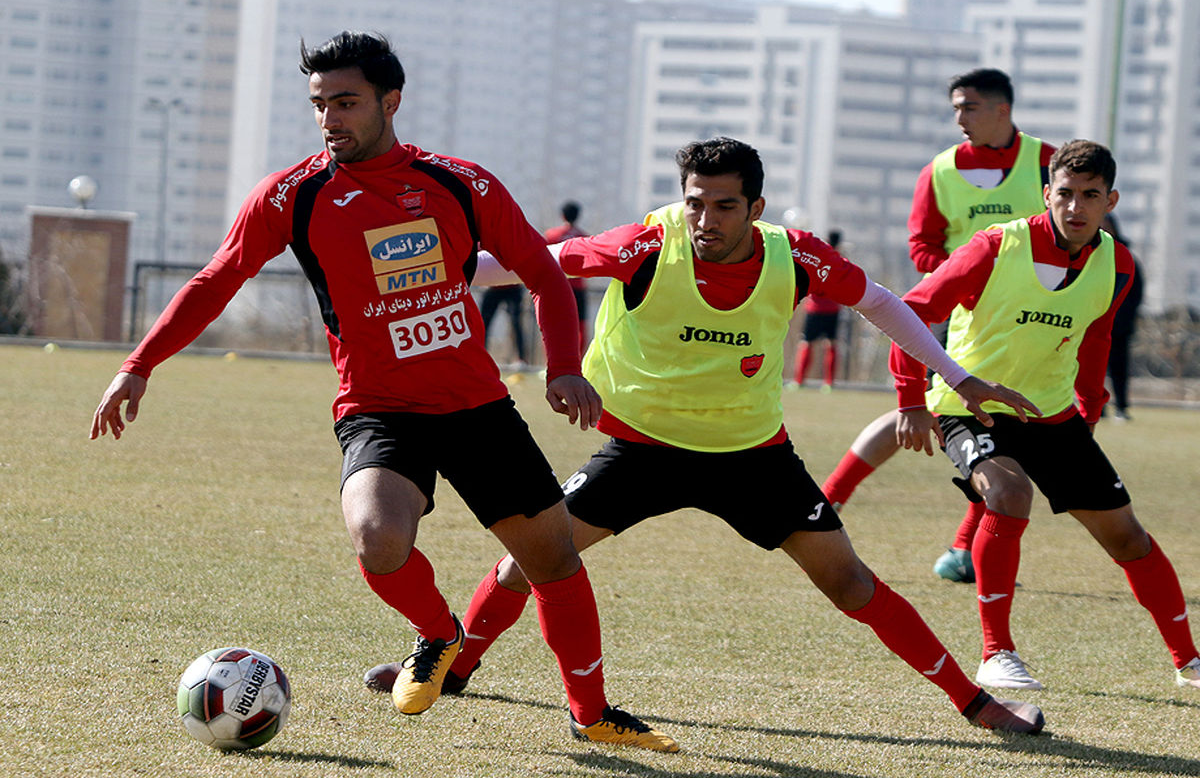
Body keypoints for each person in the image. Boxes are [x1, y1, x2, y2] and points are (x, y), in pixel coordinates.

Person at [88, 31, 677, 752]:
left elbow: (544, 273)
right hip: (376, 408)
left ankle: (592, 713)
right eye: (319, 105)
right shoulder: (292, 195)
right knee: (377, 536)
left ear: (390, 102)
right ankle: (439, 633)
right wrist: (138, 364)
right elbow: (217, 279)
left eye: (346, 102)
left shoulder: (461, 183)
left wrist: (562, 366)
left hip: (477, 409)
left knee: (551, 559)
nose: (330, 118)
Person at [365, 137, 1047, 735]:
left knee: (851, 585)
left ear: (755, 208)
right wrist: (429, 275)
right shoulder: (646, 244)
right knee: (530, 563)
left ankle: (975, 703)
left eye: (723, 206)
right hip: (642, 451)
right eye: (695, 202)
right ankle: (453, 670)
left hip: (751, 457)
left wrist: (958, 377)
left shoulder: (796, 255)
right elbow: (528, 262)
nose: (704, 219)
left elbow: (880, 303)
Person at [891, 139, 1200, 692]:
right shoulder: (993, 247)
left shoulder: (1118, 264)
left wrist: (1090, 404)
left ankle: (1189, 661)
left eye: (1091, 196)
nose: (1076, 207)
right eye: (1065, 194)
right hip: (971, 407)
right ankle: (996, 653)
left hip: (1051, 415)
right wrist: (912, 400)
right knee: (1009, 496)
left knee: (1128, 537)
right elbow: (911, 311)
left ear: (1111, 201)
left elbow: (1096, 335)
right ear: (1046, 193)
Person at [821, 68, 1056, 584]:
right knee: (919, 412)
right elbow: (921, 249)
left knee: (1009, 429)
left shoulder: (1048, 164)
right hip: (956, 320)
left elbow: (1079, 235)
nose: (959, 118)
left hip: (1026, 325)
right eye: (955, 108)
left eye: (968, 107)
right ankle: (827, 501)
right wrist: (970, 268)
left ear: (1002, 109)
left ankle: (963, 550)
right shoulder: (939, 171)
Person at [1101, 214, 1143, 421]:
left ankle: (1121, 408)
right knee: (1092, 371)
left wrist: (1121, 319)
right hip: (1091, 326)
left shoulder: (1126, 257)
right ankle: (1097, 409)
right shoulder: (1084, 255)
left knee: (1119, 369)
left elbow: (1135, 294)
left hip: (1118, 328)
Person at [791, 229, 843, 391]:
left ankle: (799, 381)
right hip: (833, 308)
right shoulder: (840, 260)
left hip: (815, 308)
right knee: (831, 344)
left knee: (807, 342)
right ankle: (828, 383)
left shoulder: (820, 255)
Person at [544, 200, 590, 349]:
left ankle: (551, 362)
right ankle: (578, 361)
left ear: (562, 215)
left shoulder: (551, 235)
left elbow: (544, 259)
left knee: (552, 324)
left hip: (557, 286)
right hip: (578, 287)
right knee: (580, 324)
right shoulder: (584, 237)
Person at [479, 284, 528, 368]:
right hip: (493, 287)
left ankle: (521, 359)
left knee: (516, 323)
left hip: (513, 286)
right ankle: (480, 358)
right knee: (482, 325)